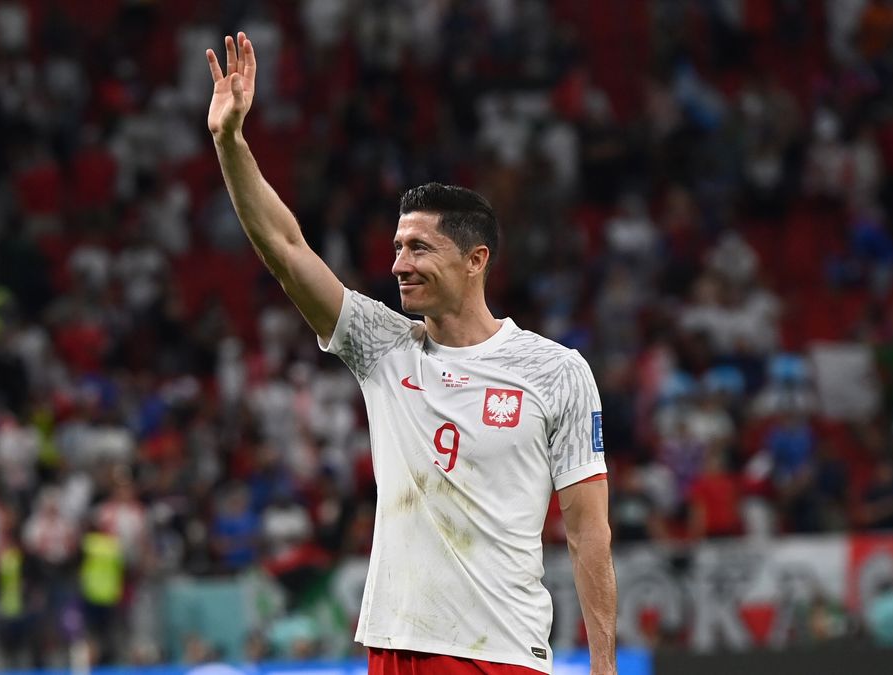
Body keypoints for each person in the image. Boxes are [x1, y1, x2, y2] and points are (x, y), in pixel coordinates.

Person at [206, 33, 617, 675]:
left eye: (419, 249)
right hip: (395, 645)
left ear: (475, 260)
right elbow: (286, 250)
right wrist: (230, 143)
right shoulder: (383, 346)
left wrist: (605, 664)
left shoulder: (556, 372)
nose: (398, 265)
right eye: (397, 248)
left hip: (499, 654)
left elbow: (589, 530)